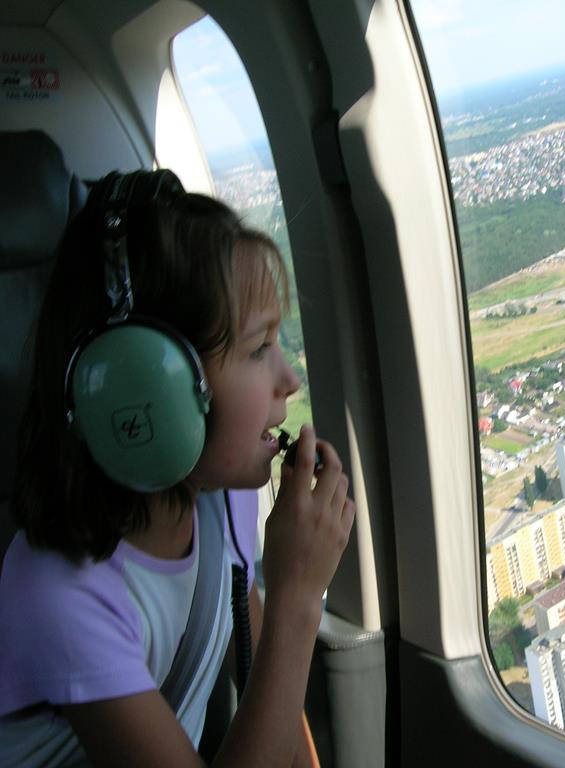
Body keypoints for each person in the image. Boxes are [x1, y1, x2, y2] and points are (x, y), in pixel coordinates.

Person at [0, 169, 356, 767]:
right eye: (256, 349)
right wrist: (300, 589)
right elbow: (285, 638)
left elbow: (274, 686)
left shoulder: (220, 496)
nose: (289, 379)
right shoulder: (62, 596)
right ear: (151, 384)